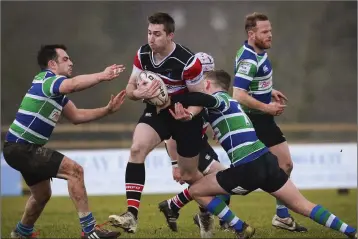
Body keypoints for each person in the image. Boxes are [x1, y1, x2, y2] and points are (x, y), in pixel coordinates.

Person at [167, 70, 357, 239]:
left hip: (247, 167)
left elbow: (205, 100)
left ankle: (241, 228)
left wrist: (173, 98)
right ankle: (350, 231)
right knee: (303, 205)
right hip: (266, 160)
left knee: (196, 190)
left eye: (201, 84)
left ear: (207, 85)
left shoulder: (221, 99)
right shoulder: (233, 104)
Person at [3, 44, 126, 239]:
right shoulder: (47, 80)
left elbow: (76, 116)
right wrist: (102, 75)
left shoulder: (55, 91)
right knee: (74, 171)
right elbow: (74, 84)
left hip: (19, 148)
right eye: (65, 59)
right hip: (21, 147)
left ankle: (21, 232)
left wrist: (107, 110)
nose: (71, 62)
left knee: (42, 194)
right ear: (52, 64)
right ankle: (89, 231)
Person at [108, 12, 206, 233]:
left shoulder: (188, 61)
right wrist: (139, 91)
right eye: (149, 33)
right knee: (136, 149)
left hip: (185, 116)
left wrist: (189, 115)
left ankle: (209, 210)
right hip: (158, 112)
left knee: (190, 175)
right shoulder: (143, 54)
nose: (151, 39)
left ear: (170, 35)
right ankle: (131, 215)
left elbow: (200, 98)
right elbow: (130, 90)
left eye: (157, 34)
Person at [232, 12, 306, 232]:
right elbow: (238, 94)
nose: (270, 35)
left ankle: (282, 217)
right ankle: (204, 206)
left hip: (263, 119)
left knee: (285, 164)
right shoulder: (248, 58)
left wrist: (267, 91)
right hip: (252, 121)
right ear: (251, 33)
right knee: (242, 178)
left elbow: (249, 85)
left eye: (270, 30)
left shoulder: (259, 52)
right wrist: (267, 107)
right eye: (265, 31)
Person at [158, 52, 231, 235]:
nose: (206, 78)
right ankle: (219, 221)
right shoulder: (186, 96)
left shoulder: (205, 95)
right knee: (222, 181)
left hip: (201, 144)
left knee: (216, 186)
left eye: (208, 72)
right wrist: (175, 165)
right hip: (191, 148)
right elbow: (171, 136)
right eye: (203, 72)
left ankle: (174, 206)